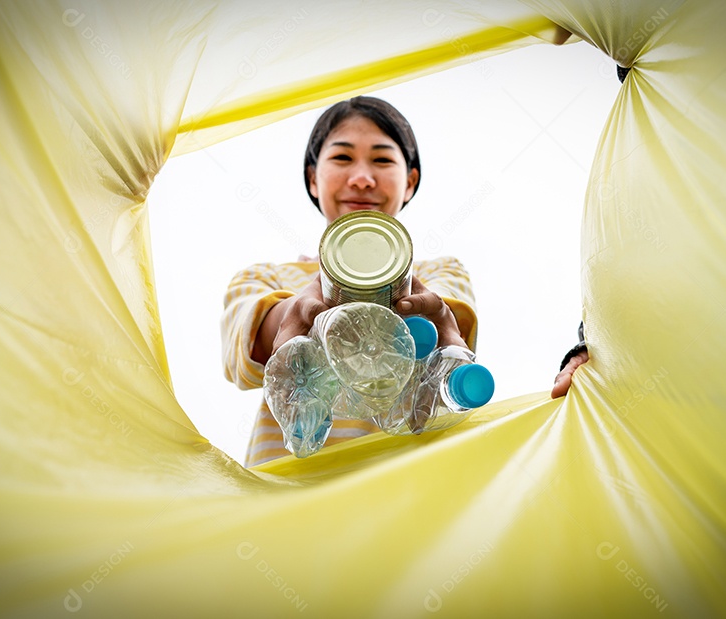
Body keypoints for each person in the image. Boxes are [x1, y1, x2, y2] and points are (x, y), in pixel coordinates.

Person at [221, 96, 585, 467]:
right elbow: (248, 351)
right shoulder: (263, 277)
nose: (362, 179)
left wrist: (438, 333)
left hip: (405, 497)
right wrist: (300, 314)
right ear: (313, 179)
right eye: (342, 158)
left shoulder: (443, 273)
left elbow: (450, 339)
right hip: (288, 501)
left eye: (382, 160)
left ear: (409, 182)